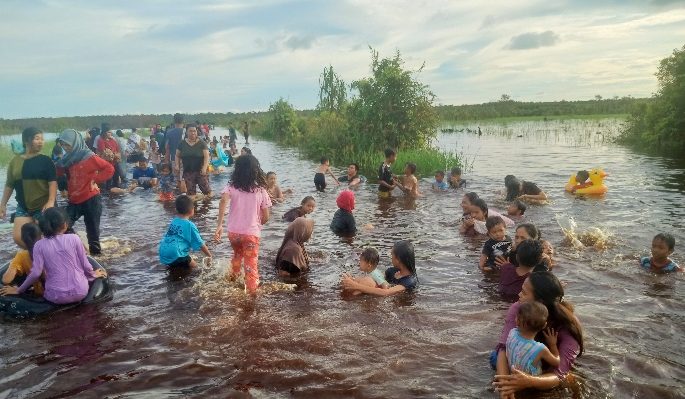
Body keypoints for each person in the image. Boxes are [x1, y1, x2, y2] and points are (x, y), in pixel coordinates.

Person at [492, 272, 584, 396]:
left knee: (568, 379)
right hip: (518, 358)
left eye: (524, 292)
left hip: (543, 365)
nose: (519, 294)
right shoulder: (519, 308)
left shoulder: (569, 326)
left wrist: (529, 381)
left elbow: (559, 373)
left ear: (539, 302)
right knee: (494, 357)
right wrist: (505, 385)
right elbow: (503, 348)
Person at [0, 207, 107, 304]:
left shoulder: (39, 245)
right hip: (81, 292)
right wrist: (93, 275)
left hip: (55, 297)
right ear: (65, 225)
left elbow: (36, 273)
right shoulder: (74, 238)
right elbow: (85, 264)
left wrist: (19, 290)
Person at [214, 154, 272, 294]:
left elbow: (223, 201)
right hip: (251, 234)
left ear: (237, 170)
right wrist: (259, 223)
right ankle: (251, 296)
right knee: (251, 265)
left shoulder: (231, 186)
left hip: (233, 233)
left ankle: (232, 280)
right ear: (255, 170)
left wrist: (219, 225)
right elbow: (266, 217)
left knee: (237, 255)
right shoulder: (261, 190)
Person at [56, 129, 114, 255]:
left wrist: (95, 180)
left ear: (75, 142)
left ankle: (97, 260)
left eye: (68, 144)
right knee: (62, 226)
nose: (65, 148)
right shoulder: (65, 160)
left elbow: (109, 168)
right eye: (63, 145)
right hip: (74, 201)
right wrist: (62, 188)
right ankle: (80, 247)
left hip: (91, 200)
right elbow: (58, 173)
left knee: (93, 235)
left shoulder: (89, 156)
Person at [0, 127, 57, 247]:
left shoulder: (46, 160)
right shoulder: (15, 162)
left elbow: (52, 182)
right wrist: (3, 204)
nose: (41, 142)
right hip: (23, 206)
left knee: (49, 238)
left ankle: (48, 256)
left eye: (42, 139)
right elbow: (9, 184)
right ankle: (36, 256)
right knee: (18, 237)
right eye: (37, 138)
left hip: (42, 206)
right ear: (26, 140)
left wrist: (51, 201)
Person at [341, 240, 418, 296]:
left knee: (366, 282)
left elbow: (386, 292)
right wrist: (354, 280)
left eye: (392, 255)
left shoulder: (409, 281)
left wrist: (355, 285)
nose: (391, 258)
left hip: (395, 303)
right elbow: (376, 277)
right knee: (366, 280)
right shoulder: (391, 271)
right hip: (377, 294)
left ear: (399, 259)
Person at [505, 301, 560, 376]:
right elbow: (556, 362)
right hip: (530, 382)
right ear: (544, 325)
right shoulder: (540, 348)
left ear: (517, 321)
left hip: (511, 373)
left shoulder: (512, 333)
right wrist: (553, 345)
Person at [158, 195, 211, 268]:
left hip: (163, 251)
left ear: (176, 209)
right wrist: (209, 255)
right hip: (176, 253)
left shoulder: (174, 221)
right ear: (192, 209)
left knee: (175, 269)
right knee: (196, 268)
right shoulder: (190, 225)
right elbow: (200, 243)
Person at [2, 223, 44, 296]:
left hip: (41, 293)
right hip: (58, 291)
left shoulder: (22, 255)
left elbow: (6, 279)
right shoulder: (50, 248)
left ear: (22, 239)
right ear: (41, 236)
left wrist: (13, 263)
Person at [175, 124, 211, 198]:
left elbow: (207, 156)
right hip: (188, 171)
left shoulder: (201, 143)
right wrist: (177, 165)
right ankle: (193, 208)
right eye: (190, 131)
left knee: (206, 191)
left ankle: (208, 207)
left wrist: (204, 167)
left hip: (201, 171)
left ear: (197, 131)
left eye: (194, 131)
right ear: (186, 132)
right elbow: (177, 155)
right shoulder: (182, 143)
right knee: (191, 193)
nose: (193, 133)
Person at [97, 126, 127, 191]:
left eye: (110, 132)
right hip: (107, 163)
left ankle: (116, 195)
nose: (110, 133)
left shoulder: (113, 140)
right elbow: (103, 151)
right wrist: (114, 154)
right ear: (104, 132)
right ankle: (108, 193)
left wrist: (116, 155)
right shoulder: (101, 140)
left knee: (117, 177)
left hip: (115, 162)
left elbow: (118, 149)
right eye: (108, 132)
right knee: (109, 180)